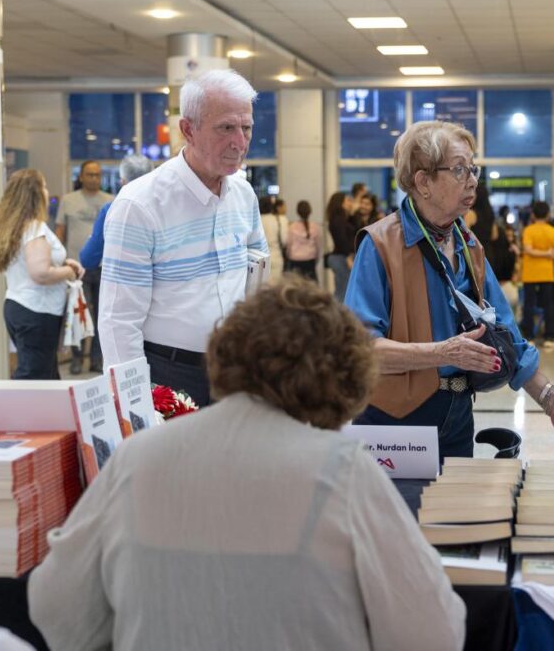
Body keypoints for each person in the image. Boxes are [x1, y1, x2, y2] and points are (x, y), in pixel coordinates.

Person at [29, 278, 465, 651]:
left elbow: (55, 606)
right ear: (346, 379)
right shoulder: (341, 471)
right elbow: (433, 632)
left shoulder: (136, 457)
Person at [346, 121, 554, 460]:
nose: (473, 180)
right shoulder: (379, 245)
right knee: (402, 511)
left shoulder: (468, 244)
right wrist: (441, 353)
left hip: (457, 414)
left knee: (454, 511)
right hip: (395, 421)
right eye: (459, 169)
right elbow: (361, 350)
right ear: (423, 182)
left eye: (473, 168)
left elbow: (510, 341)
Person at [99, 69, 268, 406]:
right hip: (169, 375)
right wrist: (135, 404)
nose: (240, 142)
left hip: (235, 370)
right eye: (226, 128)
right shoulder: (140, 205)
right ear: (188, 129)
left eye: (246, 127)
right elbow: (119, 321)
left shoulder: (243, 195)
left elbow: (256, 276)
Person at [0, 169, 85, 380]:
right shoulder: (35, 228)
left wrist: (61, 261)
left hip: (19, 306)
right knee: (34, 375)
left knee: (44, 372)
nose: (46, 191)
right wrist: (69, 271)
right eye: (43, 186)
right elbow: (40, 273)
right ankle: (14, 413)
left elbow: (31, 263)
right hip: (37, 311)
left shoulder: (14, 227)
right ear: (34, 194)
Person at [56, 160, 113, 373]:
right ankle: (77, 358)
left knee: (102, 316)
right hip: (76, 268)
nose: (94, 178)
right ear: (81, 177)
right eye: (89, 174)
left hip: (105, 267)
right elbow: (60, 231)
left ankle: (97, 359)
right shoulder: (68, 201)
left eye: (97, 175)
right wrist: (60, 260)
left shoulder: (110, 201)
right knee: (77, 314)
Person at [79, 155, 155, 270]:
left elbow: (88, 259)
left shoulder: (111, 209)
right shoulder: (168, 207)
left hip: (125, 283)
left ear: (123, 181)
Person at [520, 201, 554, 347]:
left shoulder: (528, 231)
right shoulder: (553, 231)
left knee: (528, 305)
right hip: (547, 273)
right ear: (547, 214)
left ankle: (529, 336)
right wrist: (548, 253)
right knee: (549, 305)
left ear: (532, 214)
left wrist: (538, 253)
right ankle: (550, 337)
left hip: (530, 273)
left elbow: (528, 250)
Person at [325, 190, 357, 301]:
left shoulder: (343, 218)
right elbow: (341, 239)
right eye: (347, 200)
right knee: (342, 291)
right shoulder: (338, 219)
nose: (350, 203)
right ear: (341, 203)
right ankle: (337, 316)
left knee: (344, 290)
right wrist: (348, 256)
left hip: (343, 257)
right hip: (341, 257)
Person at [286, 200, 322, 282]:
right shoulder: (315, 227)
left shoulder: (292, 227)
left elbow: (289, 246)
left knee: (295, 288)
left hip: (295, 261)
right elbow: (318, 248)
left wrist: (289, 258)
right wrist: (315, 260)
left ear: (297, 212)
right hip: (309, 262)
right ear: (310, 211)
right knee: (311, 290)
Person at [260, 197, 287, 283]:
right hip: (276, 256)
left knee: (260, 289)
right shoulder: (280, 219)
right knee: (275, 288)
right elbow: (284, 240)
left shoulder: (255, 220)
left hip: (259, 258)